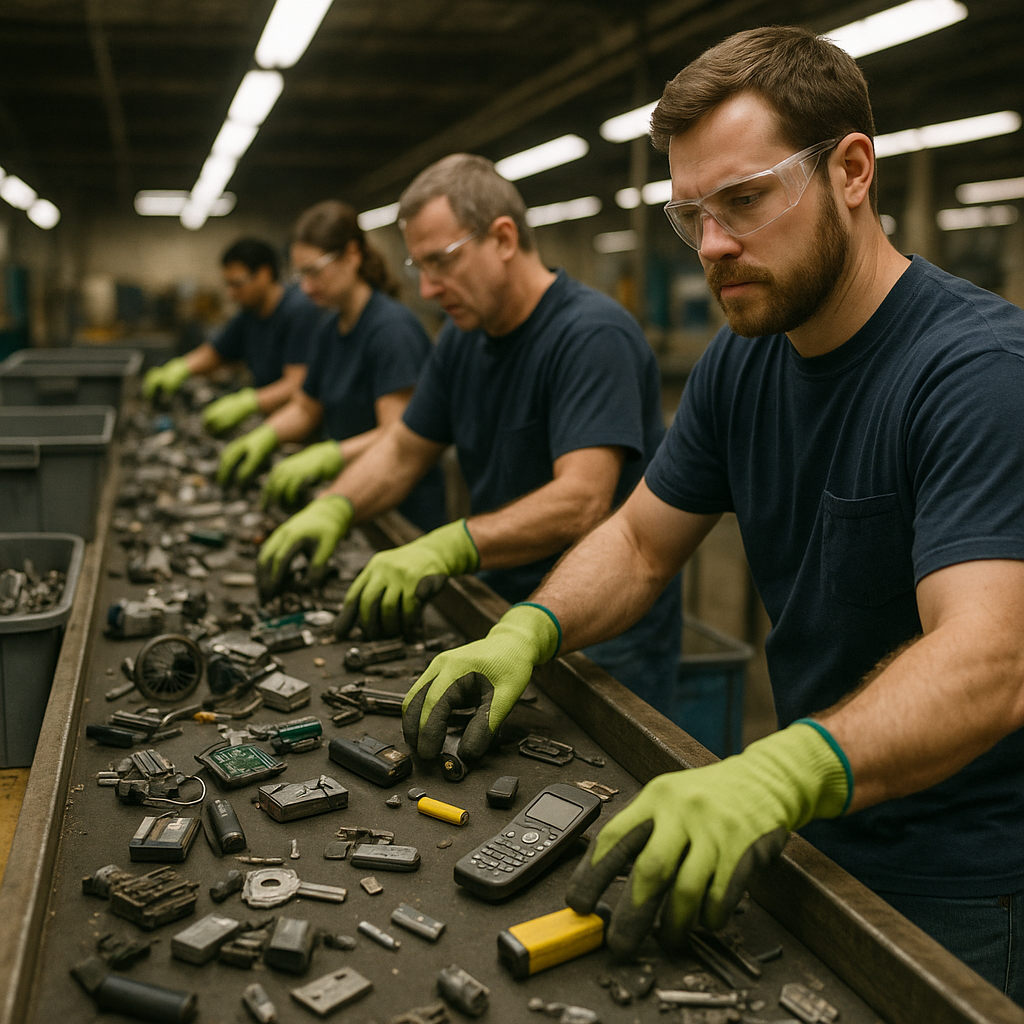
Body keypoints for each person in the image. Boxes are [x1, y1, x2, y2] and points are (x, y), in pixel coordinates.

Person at [400, 27, 1024, 1003]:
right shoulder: (745, 358)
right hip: (810, 831)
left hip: (958, 884)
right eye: (691, 213)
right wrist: (529, 628)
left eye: (744, 200)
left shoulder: (974, 374)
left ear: (851, 170)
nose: (713, 246)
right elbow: (644, 540)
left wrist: (776, 770)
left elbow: (992, 658)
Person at [258, 154, 682, 708]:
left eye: (441, 262)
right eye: (418, 268)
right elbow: (405, 450)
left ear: (503, 238)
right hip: (501, 607)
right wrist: (334, 505)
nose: (428, 289)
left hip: (598, 635)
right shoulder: (464, 336)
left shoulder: (591, 335)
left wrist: (449, 544)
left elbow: (581, 500)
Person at [216, 201, 446, 533]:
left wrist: (330, 455)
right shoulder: (329, 328)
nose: (306, 287)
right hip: (350, 494)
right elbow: (307, 408)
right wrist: (265, 436)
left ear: (352, 255)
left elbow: (397, 435)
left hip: (399, 511)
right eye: (301, 275)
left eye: (315, 272)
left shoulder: (392, 330)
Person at [142, 238, 321, 433]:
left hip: (298, 425)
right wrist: (180, 368)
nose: (231, 293)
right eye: (227, 284)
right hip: (271, 418)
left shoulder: (300, 311)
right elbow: (217, 352)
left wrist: (248, 402)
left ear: (264, 274)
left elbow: (297, 384)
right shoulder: (250, 313)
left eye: (237, 284)